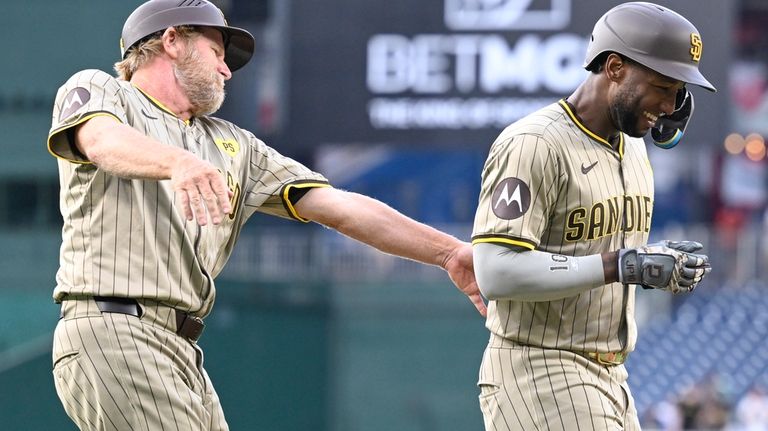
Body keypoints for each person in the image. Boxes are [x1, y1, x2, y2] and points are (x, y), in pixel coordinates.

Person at [46, 1, 486, 430]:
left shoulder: (235, 145)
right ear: (172, 40)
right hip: (113, 326)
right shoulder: (103, 91)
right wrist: (177, 163)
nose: (226, 69)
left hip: (180, 347)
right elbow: (101, 141)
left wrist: (447, 253)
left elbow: (340, 207)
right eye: (217, 52)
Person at [471, 2, 714, 430]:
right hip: (540, 368)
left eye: (680, 91)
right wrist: (620, 264)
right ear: (615, 66)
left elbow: (610, 258)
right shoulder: (534, 143)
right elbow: (494, 272)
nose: (673, 104)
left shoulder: (635, 147)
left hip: (611, 375)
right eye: (663, 86)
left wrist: (655, 261)